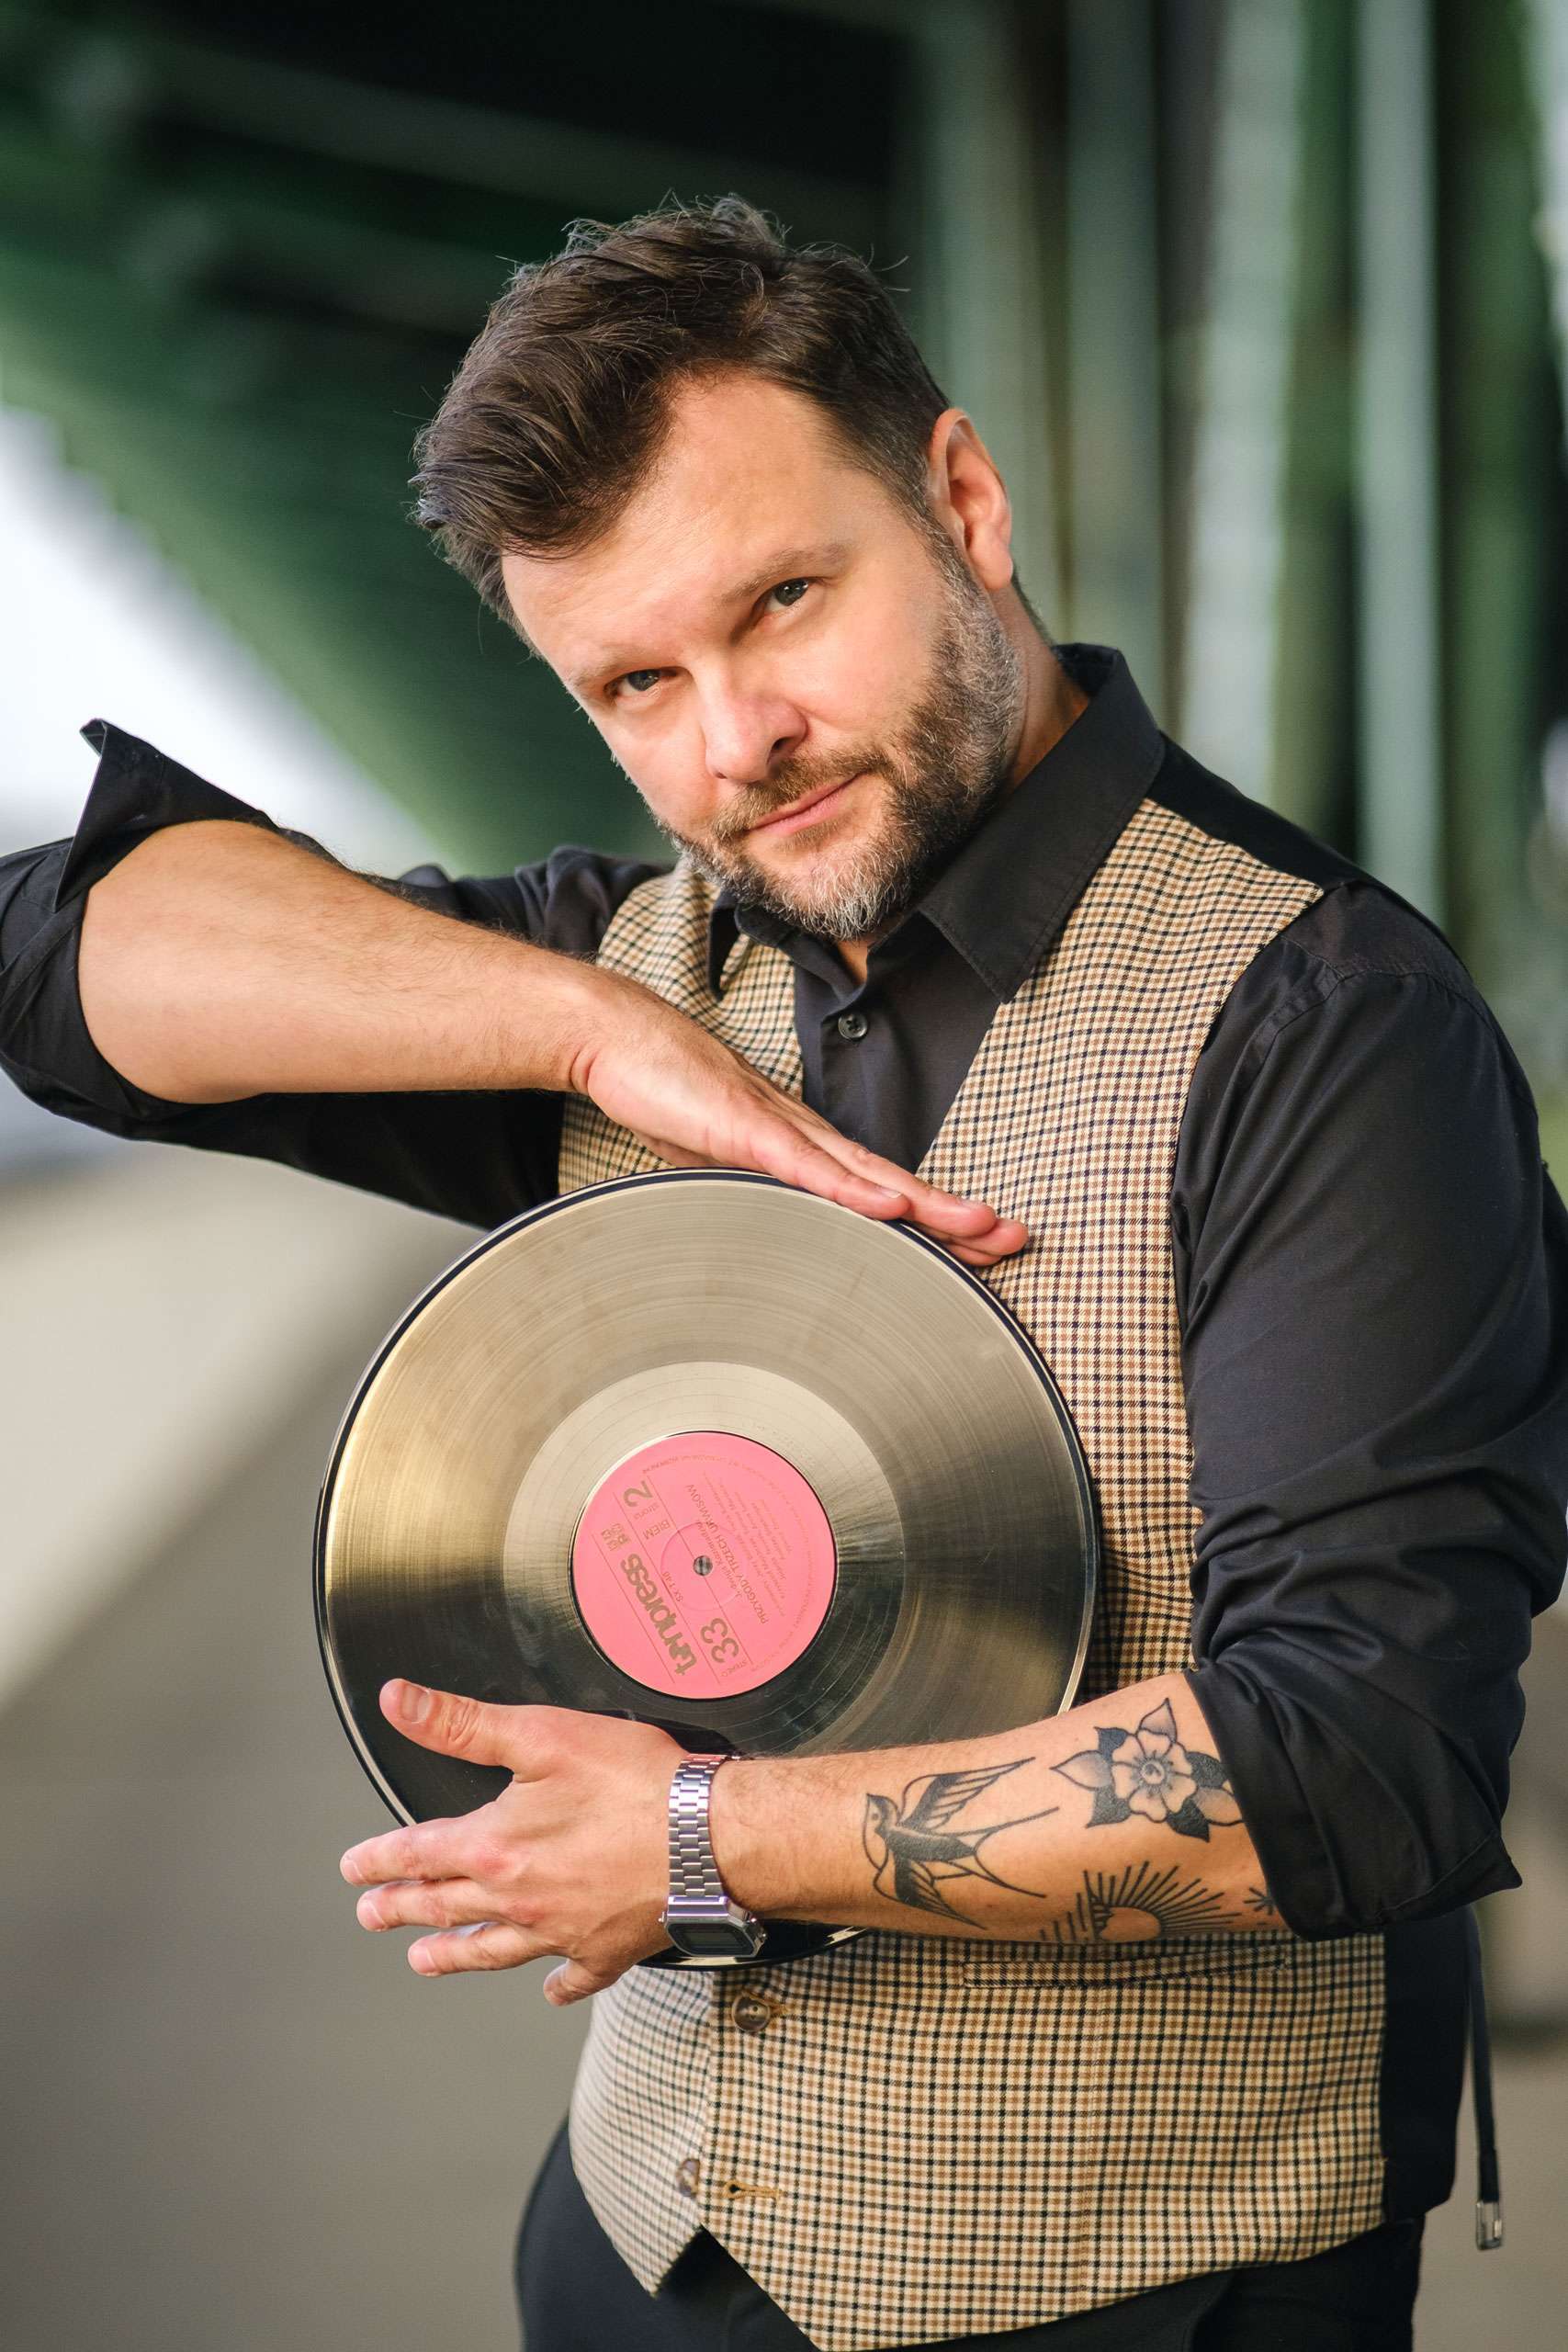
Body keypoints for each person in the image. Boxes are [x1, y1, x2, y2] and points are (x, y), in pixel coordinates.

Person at [2, 196, 1565, 2352]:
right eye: (634, 682)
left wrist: (700, 1840)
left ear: (961, 502)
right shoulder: (608, 971)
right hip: (632, 2250)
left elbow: (1358, 1750)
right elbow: (52, 957)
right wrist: (581, 1028)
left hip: (1135, 2293)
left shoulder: (1323, 1024)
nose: (734, 739)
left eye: (780, 602)